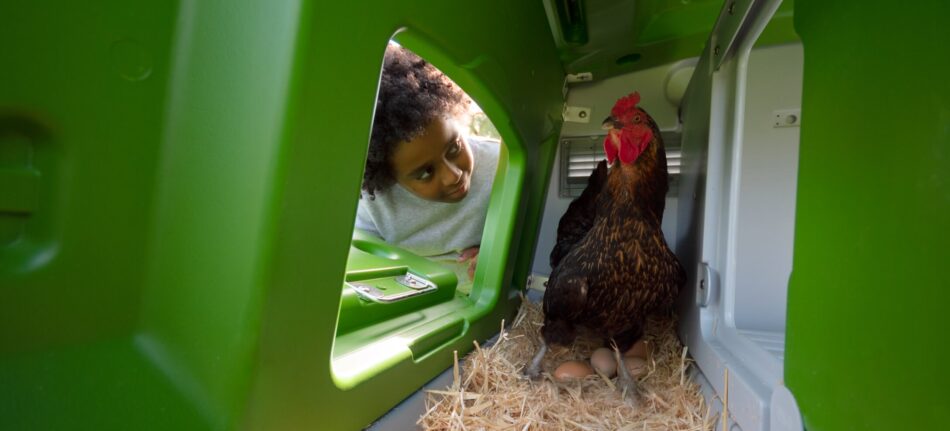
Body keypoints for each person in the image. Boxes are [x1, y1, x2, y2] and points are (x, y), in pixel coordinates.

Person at [355, 44, 500, 280]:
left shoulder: (503, 166)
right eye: (425, 173)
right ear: (390, 177)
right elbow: (369, 269)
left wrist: (502, 251)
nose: (453, 175)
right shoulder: (374, 209)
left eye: (453, 149)